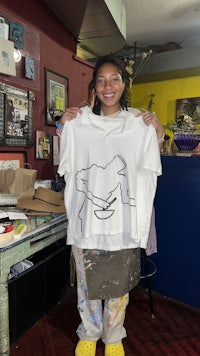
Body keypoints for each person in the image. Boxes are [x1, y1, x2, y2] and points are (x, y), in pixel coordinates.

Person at [58, 55, 163, 356]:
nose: (108, 86)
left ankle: (113, 336)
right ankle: (89, 333)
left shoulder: (139, 124)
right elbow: (63, 164)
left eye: (114, 78)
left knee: (118, 290)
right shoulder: (78, 124)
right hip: (86, 223)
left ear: (123, 84)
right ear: (94, 86)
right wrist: (63, 127)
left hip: (122, 226)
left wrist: (156, 132)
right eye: (101, 80)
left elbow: (152, 167)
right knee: (86, 286)